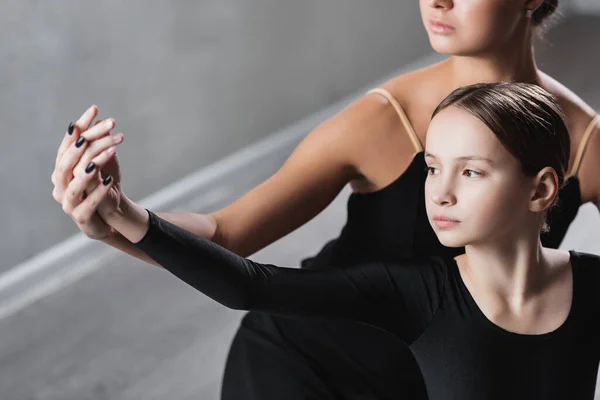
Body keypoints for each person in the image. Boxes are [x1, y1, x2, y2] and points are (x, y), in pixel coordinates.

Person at [51, 1, 600, 398]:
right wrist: (111, 218)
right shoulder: (384, 116)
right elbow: (229, 236)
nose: (437, 1)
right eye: (434, 168)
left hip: (441, 381)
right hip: (309, 366)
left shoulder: (586, 141)